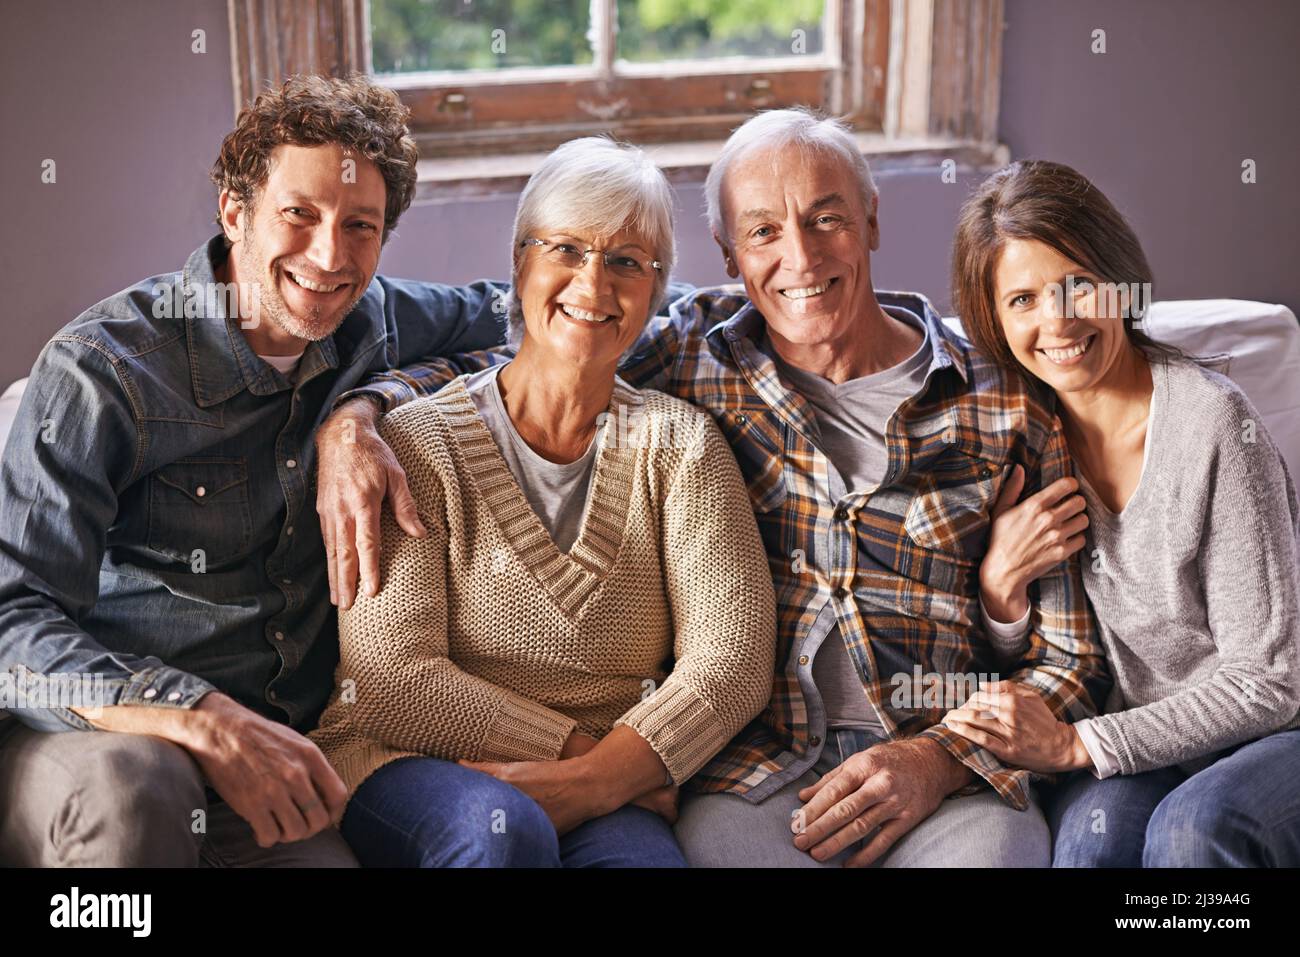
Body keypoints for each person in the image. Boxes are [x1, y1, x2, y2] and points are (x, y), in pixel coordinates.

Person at [315, 109, 1112, 867]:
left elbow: (1073, 661)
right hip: (765, 766)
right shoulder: (702, 356)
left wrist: (944, 749)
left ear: (871, 220)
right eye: (764, 230)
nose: (798, 258)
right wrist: (357, 415)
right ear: (730, 255)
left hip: (939, 757)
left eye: (826, 219)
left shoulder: (1006, 397)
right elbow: (534, 358)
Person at [0, 75, 506, 867]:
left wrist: (363, 406)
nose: (330, 255)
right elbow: (11, 629)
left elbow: (546, 314)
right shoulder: (102, 370)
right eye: (298, 215)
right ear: (235, 214)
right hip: (102, 741)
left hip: (276, 764)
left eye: (360, 226)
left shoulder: (372, 322)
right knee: (140, 791)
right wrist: (195, 712)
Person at [309, 137, 776, 868]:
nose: (593, 283)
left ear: (655, 293)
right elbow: (391, 681)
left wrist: (591, 782)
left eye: (627, 261)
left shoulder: (681, 445)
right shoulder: (416, 444)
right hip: (405, 759)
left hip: (608, 781)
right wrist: (589, 760)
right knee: (501, 833)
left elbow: (733, 660)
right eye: (566, 249)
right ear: (521, 263)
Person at [944, 159, 1300, 867]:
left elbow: (1271, 682)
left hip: (1269, 735)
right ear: (994, 317)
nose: (1058, 321)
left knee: (1192, 828)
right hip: (1144, 738)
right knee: (1089, 843)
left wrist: (1080, 744)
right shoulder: (1023, 441)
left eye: (1078, 285)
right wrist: (1000, 589)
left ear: (1120, 280)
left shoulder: (1212, 424)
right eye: (1023, 300)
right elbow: (1048, 654)